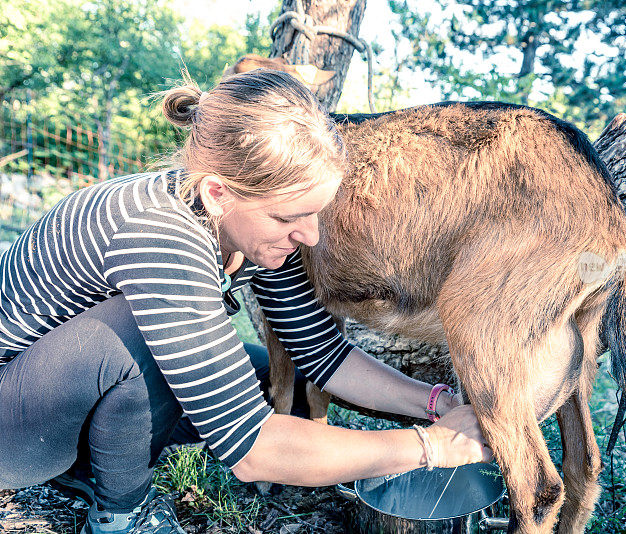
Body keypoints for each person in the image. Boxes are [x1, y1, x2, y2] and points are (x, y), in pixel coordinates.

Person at [0, 69, 492, 534]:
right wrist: (430, 447)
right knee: (138, 336)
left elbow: (321, 353)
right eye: (288, 218)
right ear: (218, 193)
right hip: (14, 426)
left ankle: (90, 462)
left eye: (317, 213)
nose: (311, 236)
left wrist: (432, 402)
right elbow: (253, 449)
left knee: (277, 382)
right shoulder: (160, 236)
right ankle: (120, 514)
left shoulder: (242, 228)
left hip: (56, 396)